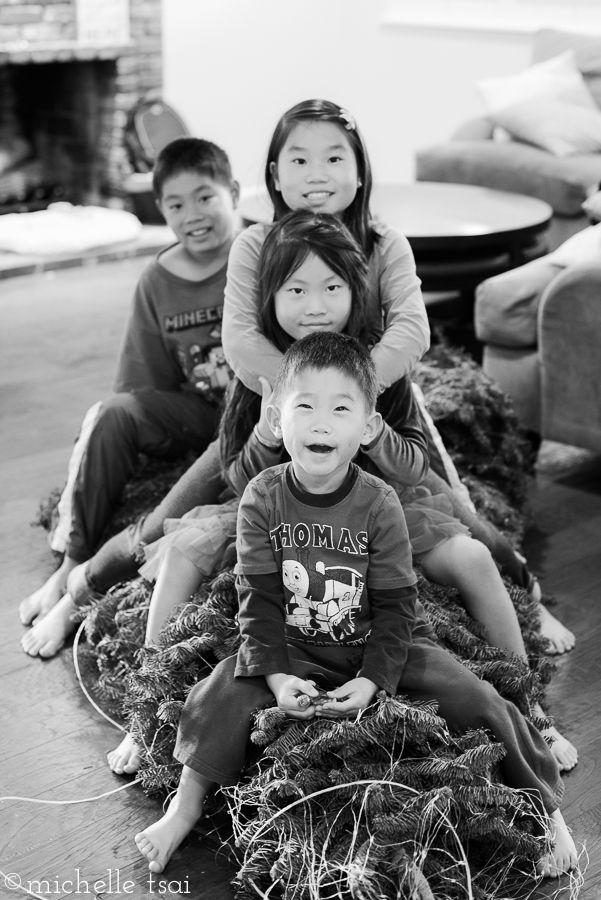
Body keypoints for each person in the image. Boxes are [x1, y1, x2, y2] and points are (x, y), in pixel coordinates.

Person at [109, 211, 575, 777]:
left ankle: (530, 709)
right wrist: (265, 429)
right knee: (185, 547)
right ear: (270, 298)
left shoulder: (373, 369)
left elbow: (414, 465)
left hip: (377, 502)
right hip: (271, 505)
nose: (314, 305)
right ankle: (145, 708)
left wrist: (375, 435)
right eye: (296, 289)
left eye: (332, 288)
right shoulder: (260, 372)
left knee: (472, 551)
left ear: (356, 294)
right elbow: (235, 473)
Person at [133, 331, 577, 880]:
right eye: (305, 406)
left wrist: (372, 681)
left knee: (477, 695)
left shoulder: (380, 502)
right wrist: (275, 680)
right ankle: (186, 805)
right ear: (276, 418)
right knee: (217, 690)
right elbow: (259, 602)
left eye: (341, 408)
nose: (321, 422)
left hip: (378, 642)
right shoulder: (262, 497)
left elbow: (397, 609)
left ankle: (547, 811)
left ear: (367, 427)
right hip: (294, 644)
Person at [19, 137, 240, 658]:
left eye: (205, 197)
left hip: (253, 418)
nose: (193, 215)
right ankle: (73, 564)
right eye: (176, 204)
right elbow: (143, 386)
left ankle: (85, 584)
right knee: (110, 414)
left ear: (233, 192)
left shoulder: (258, 255)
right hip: (197, 412)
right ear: (159, 210)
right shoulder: (158, 280)